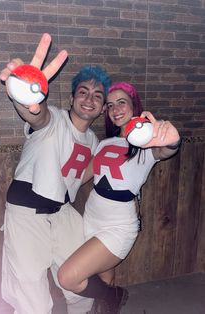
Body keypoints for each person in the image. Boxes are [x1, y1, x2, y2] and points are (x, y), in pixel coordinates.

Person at [0, 33, 112, 314]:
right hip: (26, 212)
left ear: (101, 108)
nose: (90, 99)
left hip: (62, 213)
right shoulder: (54, 120)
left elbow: (80, 177)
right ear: (72, 97)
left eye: (97, 96)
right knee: (32, 299)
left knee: (81, 282)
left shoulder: (95, 143)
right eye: (83, 92)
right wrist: (24, 93)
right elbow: (36, 115)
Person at [57, 81, 181, 314]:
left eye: (121, 102)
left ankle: (115, 296)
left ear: (134, 106)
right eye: (110, 104)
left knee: (68, 277)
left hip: (118, 224)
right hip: (92, 217)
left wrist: (172, 140)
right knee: (103, 278)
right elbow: (83, 175)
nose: (115, 108)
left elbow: (167, 150)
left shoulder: (147, 144)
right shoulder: (104, 143)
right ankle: (109, 303)